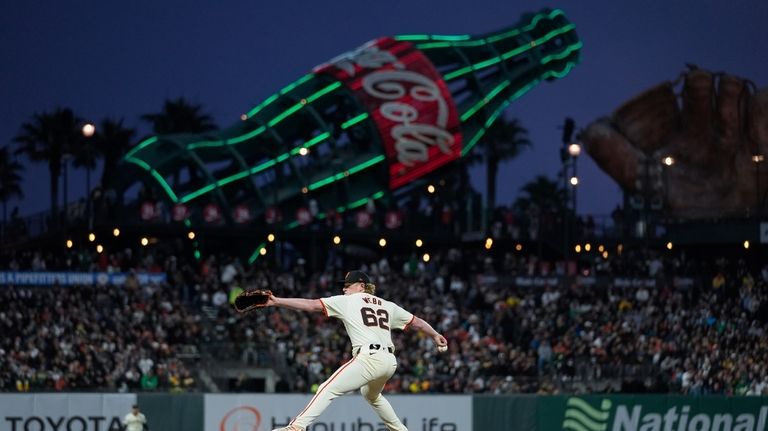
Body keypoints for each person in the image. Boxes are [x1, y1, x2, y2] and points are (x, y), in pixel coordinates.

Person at [267, 270, 448, 431]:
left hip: (369, 357)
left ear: (362, 286)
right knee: (371, 395)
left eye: (348, 286)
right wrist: (435, 335)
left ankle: (297, 427)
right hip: (389, 362)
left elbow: (311, 305)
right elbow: (416, 322)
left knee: (327, 388)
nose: (344, 289)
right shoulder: (388, 305)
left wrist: (277, 301)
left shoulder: (349, 301)